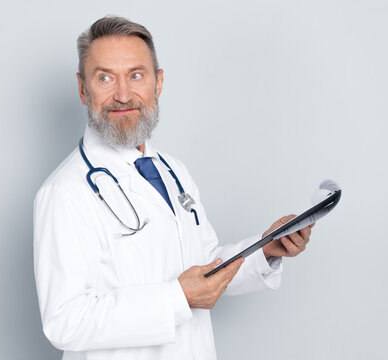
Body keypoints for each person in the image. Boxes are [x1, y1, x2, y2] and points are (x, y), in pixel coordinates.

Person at [33, 16, 313, 359]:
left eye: (136, 75)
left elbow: (204, 265)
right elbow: (65, 322)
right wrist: (177, 299)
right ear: (82, 88)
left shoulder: (173, 170)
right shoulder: (65, 192)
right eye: (105, 77)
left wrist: (265, 249)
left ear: (158, 82)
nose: (123, 94)